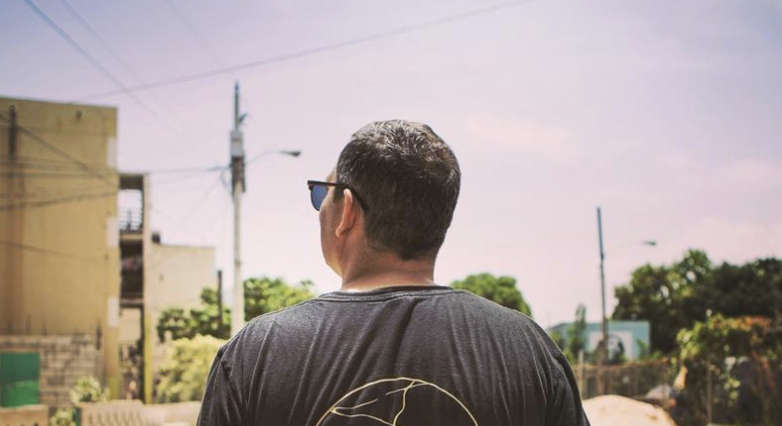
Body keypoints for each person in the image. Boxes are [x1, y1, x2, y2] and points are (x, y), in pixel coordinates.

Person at [197, 120, 590, 426]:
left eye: (323, 193)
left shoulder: (257, 354)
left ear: (347, 210)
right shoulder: (529, 352)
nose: (320, 208)